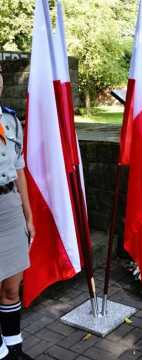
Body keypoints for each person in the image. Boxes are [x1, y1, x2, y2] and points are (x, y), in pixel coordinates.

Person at [0, 65, 35, 360]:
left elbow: (20, 170)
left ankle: (14, 347)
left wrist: (28, 215)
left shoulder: (11, 120)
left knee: (12, 286)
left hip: (9, 205)